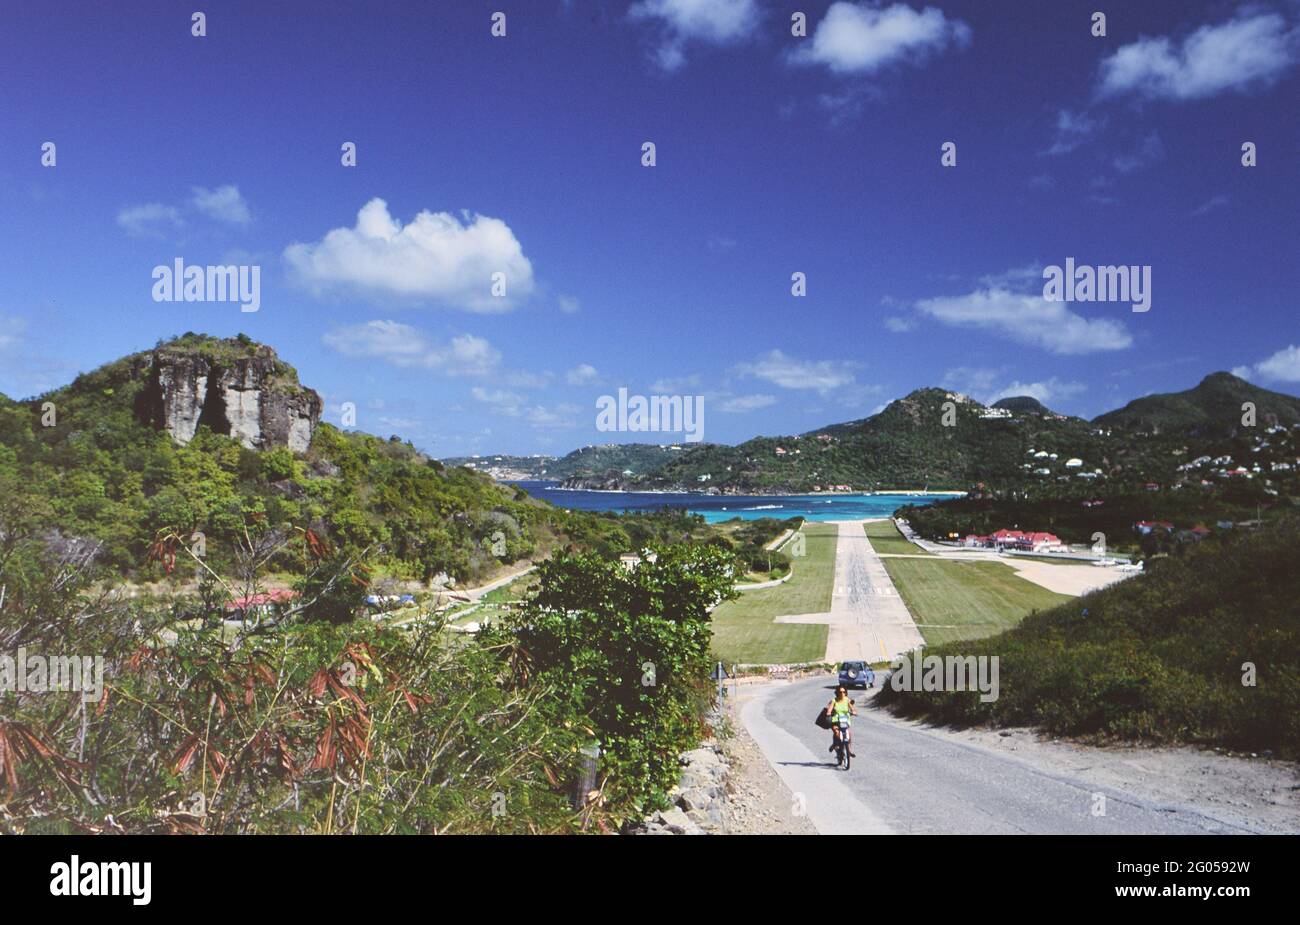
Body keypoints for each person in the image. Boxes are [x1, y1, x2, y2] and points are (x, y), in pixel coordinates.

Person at [825, 686, 857, 758]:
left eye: (844, 692)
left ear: (846, 693)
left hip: (845, 720)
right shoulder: (834, 700)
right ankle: (834, 744)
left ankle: (849, 750)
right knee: (837, 732)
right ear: (837, 693)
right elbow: (829, 709)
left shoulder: (847, 700)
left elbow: (852, 708)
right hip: (836, 720)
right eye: (840, 692)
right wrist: (828, 713)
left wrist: (854, 712)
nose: (842, 693)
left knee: (849, 733)